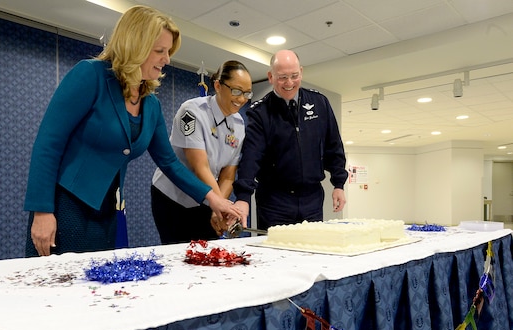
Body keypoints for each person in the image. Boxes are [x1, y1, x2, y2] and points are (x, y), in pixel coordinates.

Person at [24, 5, 242, 257]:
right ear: (135, 46)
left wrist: (214, 200)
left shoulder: (150, 103)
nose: (167, 59)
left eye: (168, 52)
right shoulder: (90, 75)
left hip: (106, 211)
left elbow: (170, 162)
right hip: (66, 207)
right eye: (160, 51)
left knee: (96, 291)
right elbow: (48, 144)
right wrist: (42, 211)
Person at [233, 49, 348, 231]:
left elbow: (333, 147)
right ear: (270, 77)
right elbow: (251, 157)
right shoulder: (260, 112)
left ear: (301, 72)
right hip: (274, 201)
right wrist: (243, 197)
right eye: (282, 77)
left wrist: (339, 184)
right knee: (275, 255)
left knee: (311, 252)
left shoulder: (320, 103)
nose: (289, 83)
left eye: (294, 75)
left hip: (312, 198)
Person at [151, 60, 252, 244]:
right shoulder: (191, 111)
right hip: (173, 197)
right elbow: (200, 166)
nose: (242, 99)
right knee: (179, 256)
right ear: (218, 85)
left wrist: (217, 208)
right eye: (237, 91)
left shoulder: (238, 124)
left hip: (208, 198)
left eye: (246, 93)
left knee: (209, 255)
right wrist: (218, 204)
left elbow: (228, 175)